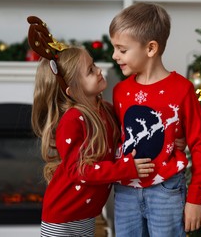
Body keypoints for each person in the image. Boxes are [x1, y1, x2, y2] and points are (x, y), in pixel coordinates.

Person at [27, 16, 155, 237]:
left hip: (87, 214)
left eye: (94, 64)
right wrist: (125, 169)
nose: (98, 70)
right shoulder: (72, 119)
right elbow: (80, 170)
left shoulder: (105, 109)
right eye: (89, 71)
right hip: (62, 217)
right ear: (73, 90)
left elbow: (126, 138)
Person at [109, 2, 201, 236]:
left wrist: (195, 199)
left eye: (122, 50)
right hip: (125, 191)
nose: (114, 56)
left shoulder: (182, 90)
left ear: (151, 48)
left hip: (166, 190)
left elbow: (200, 144)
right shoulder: (120, 92)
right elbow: (116, 139)